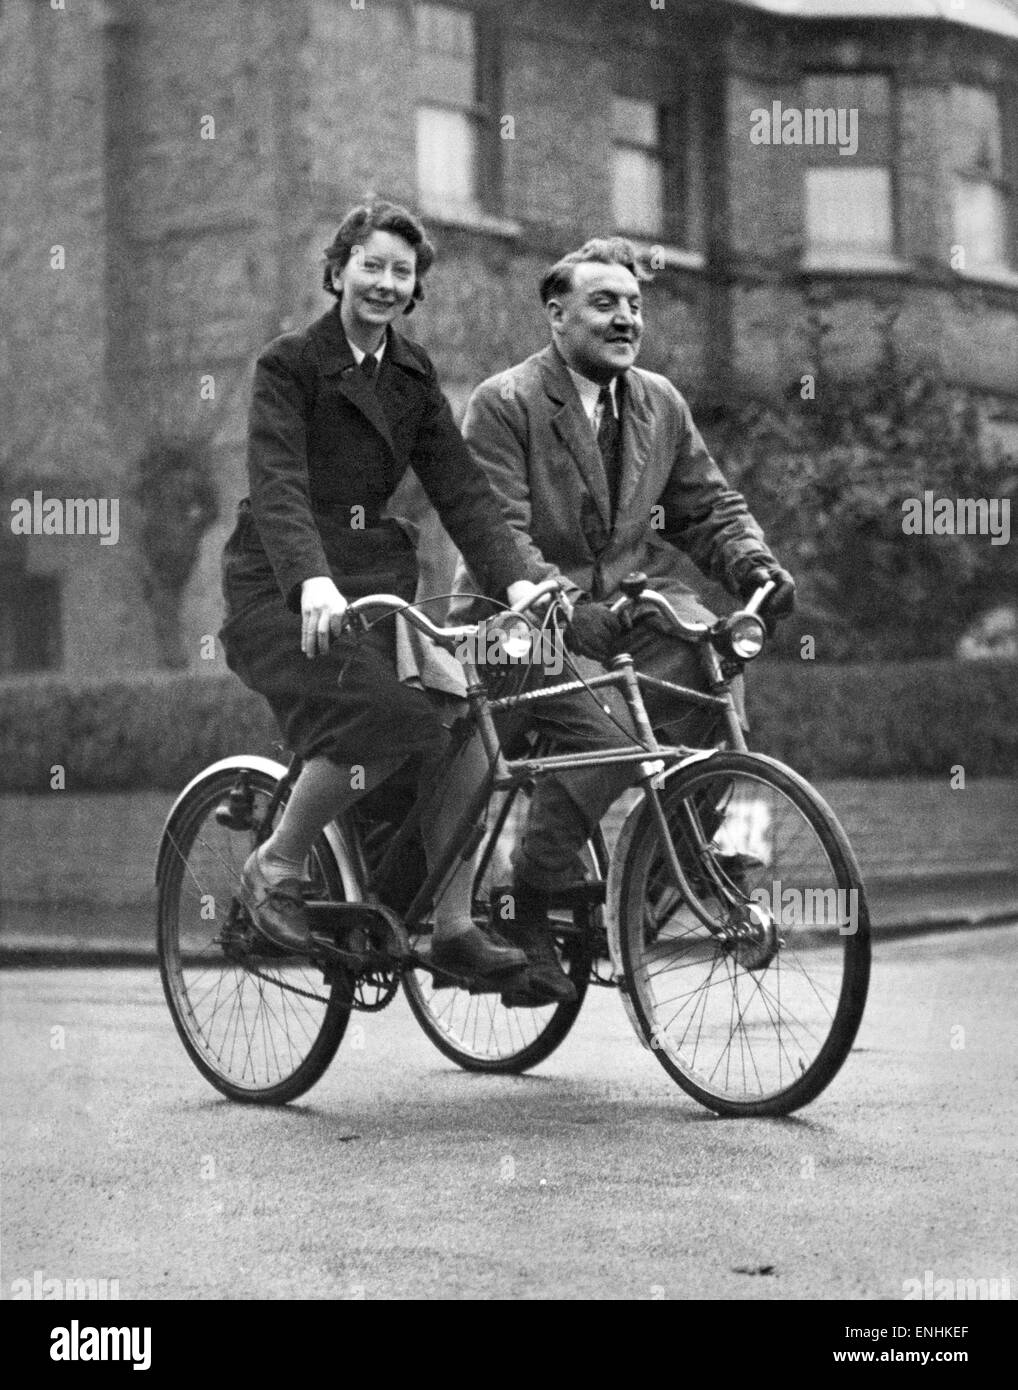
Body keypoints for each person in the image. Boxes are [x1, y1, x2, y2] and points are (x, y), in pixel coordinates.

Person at [451, 237, 796, 1005]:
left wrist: (754, 566)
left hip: (617, 610)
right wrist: (556, 601)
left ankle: (706, 861)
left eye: (634, 306)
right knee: (606, 735)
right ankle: (528, 901)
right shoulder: (504, 402)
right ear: (556, 313)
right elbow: (497, 534)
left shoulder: (658, 402)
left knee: (717, 668)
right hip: (516, 622)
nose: (624, 319)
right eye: (604, 304)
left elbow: (706, 506)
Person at [218, 201, 541, 982]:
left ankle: (456, 925)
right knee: (391, 720)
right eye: (371, 266)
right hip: (282, 590)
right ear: (337, 273)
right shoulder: (289, 365)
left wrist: (522, 581)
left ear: (415, 287)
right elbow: (278, 487)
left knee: (466, 719)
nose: (386, 284)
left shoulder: (412, 375)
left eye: (402, 271)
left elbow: (462, 493)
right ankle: (277, 867)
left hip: (375, 587)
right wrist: (311, 582)